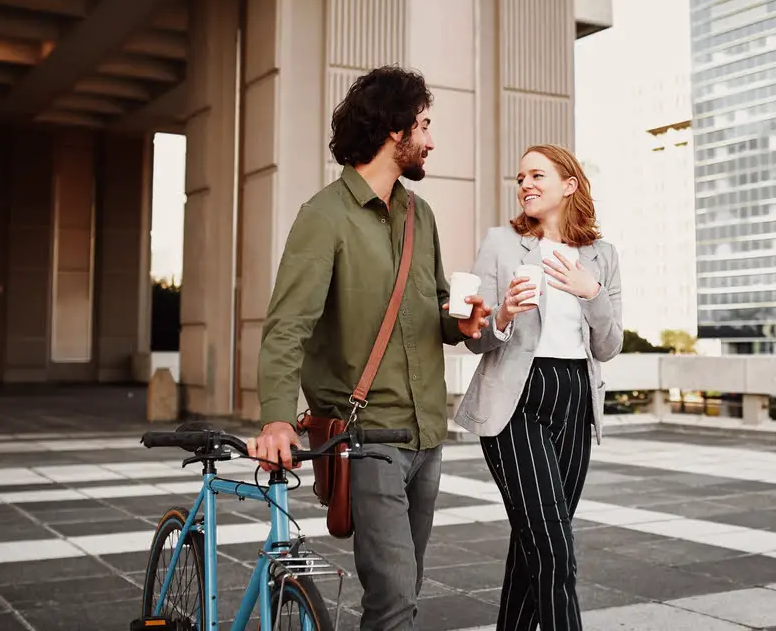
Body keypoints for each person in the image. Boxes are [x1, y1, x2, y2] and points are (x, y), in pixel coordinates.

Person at [249, 65, 491, 631]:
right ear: (394, 129)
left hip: (428, 433)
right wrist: (277, 420)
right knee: (393, 599)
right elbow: (287, 326)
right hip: (366, 437)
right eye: (424, 124)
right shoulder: (324, 217)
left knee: (405, 589)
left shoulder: (419, 214)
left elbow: (433, 306)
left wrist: (464, 322)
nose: (431, 139)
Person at [454, 143, 623, 631]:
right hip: (517, 398)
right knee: (552, 548)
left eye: (537, 176)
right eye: (521, 177)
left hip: (574, 397)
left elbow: (608, 345)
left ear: (569, 184)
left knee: (535, 542)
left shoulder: (602, 255)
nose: (525, 185)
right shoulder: (501, 243)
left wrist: (591, 293)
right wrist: (503, 313)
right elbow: (475, 336)